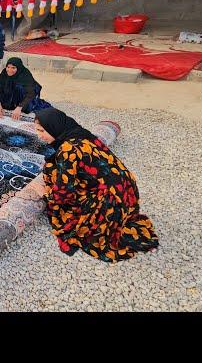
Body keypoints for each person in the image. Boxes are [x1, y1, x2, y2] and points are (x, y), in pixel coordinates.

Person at [34, 108, 159, 263]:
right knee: (53, 165)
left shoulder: (68, 149)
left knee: (53, 172)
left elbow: (64, 193)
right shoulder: (81, 134)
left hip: (109, 205)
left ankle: (108, 225)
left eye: (42, 131)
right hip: (127, 194)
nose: (39, 136)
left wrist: (45, 194)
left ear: (54, 127)